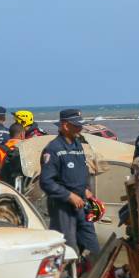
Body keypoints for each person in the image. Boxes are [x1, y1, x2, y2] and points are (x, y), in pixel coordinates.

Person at [39, 109, 101, 264]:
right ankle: (67, 276)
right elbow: (46, 182)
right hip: (63, 207)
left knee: (93, 247)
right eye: (77, 125)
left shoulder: (78, 145)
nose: (80, 128)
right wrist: (69, 196)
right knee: (68, 250)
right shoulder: (53, 149)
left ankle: (90, 273)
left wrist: (86, 190)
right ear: (66, 126)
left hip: (82, 204)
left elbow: (80, 172)